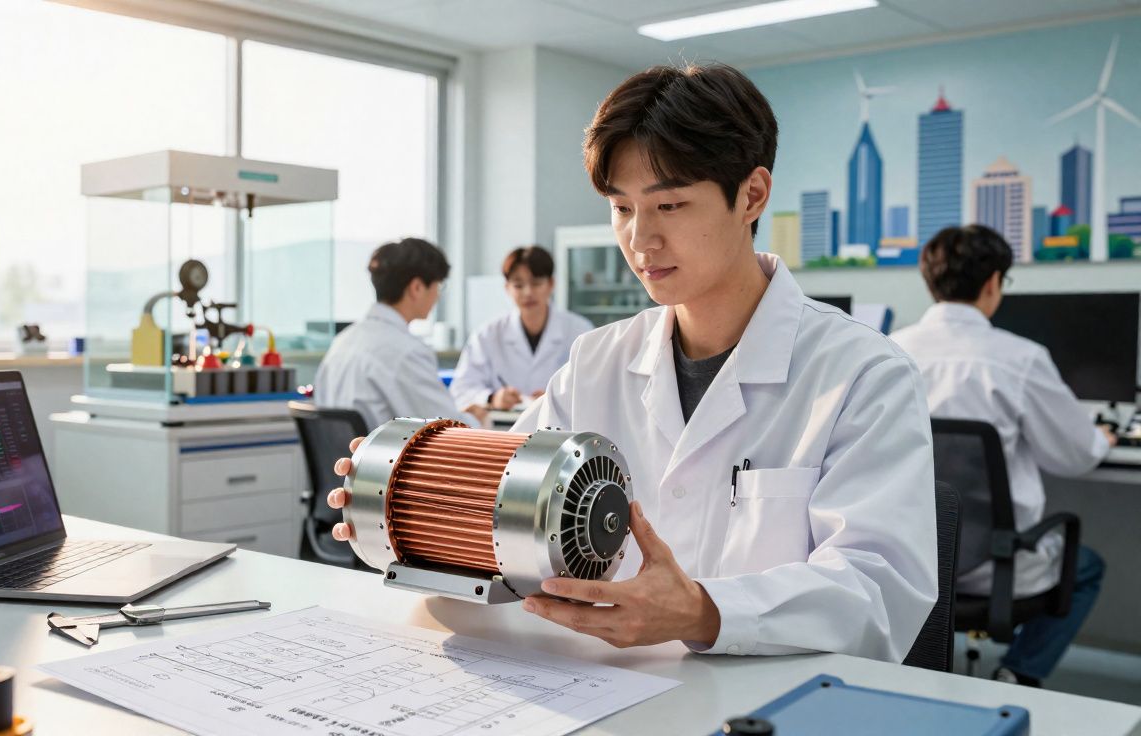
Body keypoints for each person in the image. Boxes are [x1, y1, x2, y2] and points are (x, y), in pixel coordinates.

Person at [327, 63, 937, 663]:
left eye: (669, 206)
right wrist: (401, 505)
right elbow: (499, 513)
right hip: (606, 689)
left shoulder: (864, 375)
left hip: (772, 704)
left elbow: (879, 592)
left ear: (751, 195)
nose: (640, 241)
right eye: (622, 208)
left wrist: (705, 610)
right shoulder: (597, 360)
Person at [891, 224, 1115, 686]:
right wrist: (1103, 440)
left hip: (906, 558)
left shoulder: (890, 350)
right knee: (1087, 566)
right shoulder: (1020, 358)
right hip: (994, 568)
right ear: (993, 282)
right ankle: (1018, 673)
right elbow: (1076, 456)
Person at [314, 237, 488, 430]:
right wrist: (477, 420)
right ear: (416, 288)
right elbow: (446, 431)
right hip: (381, 459)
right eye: (438, 286)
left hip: (344, 459)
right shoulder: (405, 352)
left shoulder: (343, 341)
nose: (438, 295)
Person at [450, 246, 593, 412]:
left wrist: (559, 397)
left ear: (551, 284)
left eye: (536, 283)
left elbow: (594, 387)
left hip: (561, 428)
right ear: (507, 288)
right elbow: (461, 389)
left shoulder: (580, 330)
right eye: (518, 285)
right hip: (502, 430)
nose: (528, 292)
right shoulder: (487, 335)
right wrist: (492, 398)